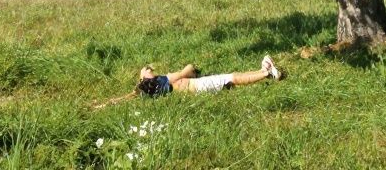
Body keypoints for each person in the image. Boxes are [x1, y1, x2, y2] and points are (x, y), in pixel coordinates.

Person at [92, 56, 283, 107]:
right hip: (197, 86)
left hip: (196, 90)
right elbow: (188, 71)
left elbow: (122, 98)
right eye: (146, 71)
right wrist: (190, 68)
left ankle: (262, 70)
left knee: (230, 83)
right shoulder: (162, 80)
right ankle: (267, 73)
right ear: (145, 79)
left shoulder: (146, 92)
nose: (149, 69)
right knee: (231, 77)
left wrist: (100, 105)